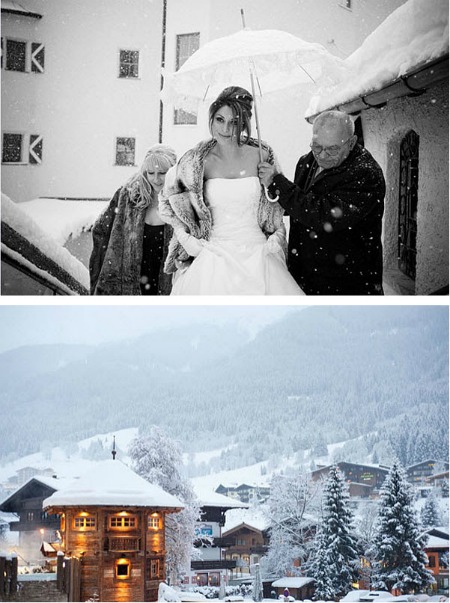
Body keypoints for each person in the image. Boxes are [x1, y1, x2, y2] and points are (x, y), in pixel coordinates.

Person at [158, 86, 304, 296]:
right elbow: (168, 204)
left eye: (234, 122)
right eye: (220, 119)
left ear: (243, 124)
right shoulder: (195, 162)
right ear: (211, 118)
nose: (226, 129)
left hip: (259, 254)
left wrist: (273, 181)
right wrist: (188, 241)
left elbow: (278, 206)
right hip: (212, 256)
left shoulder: (263, 156)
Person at [258, 110, 385, 295]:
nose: (322, 155)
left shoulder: (366, 174)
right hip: (303, 275)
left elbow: (322, 215)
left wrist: (277, 182)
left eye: (332, 149)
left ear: (351, 142)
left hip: (345, 283)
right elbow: (298, 205)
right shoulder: (306, 161)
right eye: (316, 146)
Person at [89, 144, 177, 295]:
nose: (156, 179)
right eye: (151, 173)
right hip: (128, 290)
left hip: (169, 289)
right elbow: (101, 231)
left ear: (173, 173)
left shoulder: (182, 203)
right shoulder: (128, 198)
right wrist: (100, 279)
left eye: (162, 173)